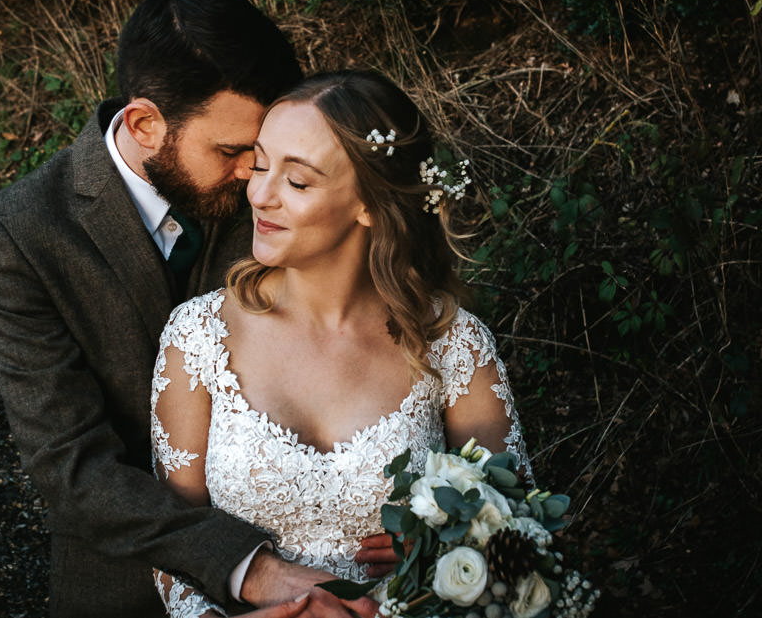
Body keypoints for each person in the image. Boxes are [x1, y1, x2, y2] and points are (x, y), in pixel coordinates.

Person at [0, 0, 394, 618]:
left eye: (268, 153)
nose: (256, 183)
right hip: (123, 580)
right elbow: (71, 465)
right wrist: (250, 568)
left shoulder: (273, 195)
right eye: (233, 154)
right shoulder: (25, 232)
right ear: (145, 124)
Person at [150, 70, 531, 617]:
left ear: (370, 206)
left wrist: (442, 554)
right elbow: (170, 541)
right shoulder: (198, 338)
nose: (259, 193)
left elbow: (518, 529)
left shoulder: (453, 345)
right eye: (260, 164)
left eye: (297, 182)